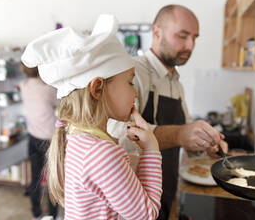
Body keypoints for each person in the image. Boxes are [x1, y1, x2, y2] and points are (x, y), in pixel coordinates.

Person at [21, 14, 163, 220]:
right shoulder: (102, 153)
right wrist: (152, 149)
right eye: (130, 82)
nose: (135, 92)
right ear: (97, 88)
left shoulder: (78, 138)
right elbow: (147, 214)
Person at [108, 4, 228, 220]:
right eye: (182, 36)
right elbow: (116, 137)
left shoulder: (175, 82)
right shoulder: (133, 73)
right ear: (156, 32)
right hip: (133, 204)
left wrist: (206, 145)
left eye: (194, 38)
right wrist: (180, 134)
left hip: (166, 191)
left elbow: (187, 130)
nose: (190, 45)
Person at [20, 62, 59, 220]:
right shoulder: (48, 89)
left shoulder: (24, 85)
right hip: (49, 138)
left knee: (35, 178)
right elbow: (61, 103)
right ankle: (53, 215)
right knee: (52, 179)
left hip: (33, 136)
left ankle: (37, 213)